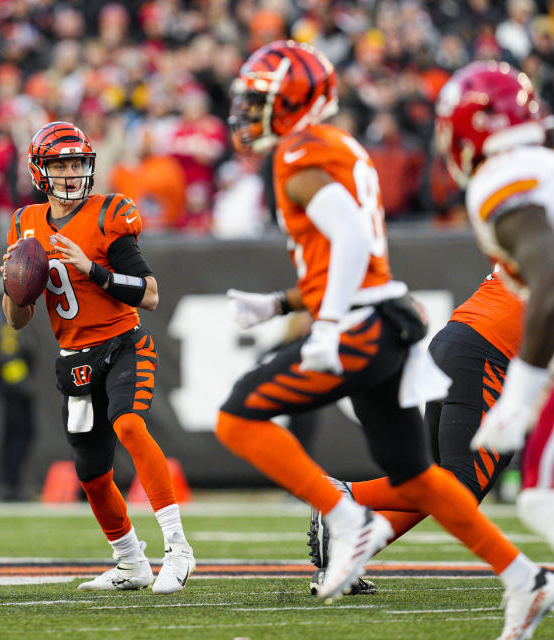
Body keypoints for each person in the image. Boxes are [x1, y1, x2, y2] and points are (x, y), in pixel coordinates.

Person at [220, 40, 552, 638]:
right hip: (466, 348)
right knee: (448, 482)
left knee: (436, 481)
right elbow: (352, 244)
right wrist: (294, 312)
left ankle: (352, 515)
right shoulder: (330, 149)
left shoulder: (307, 152)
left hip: (415, 333)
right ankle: (343, 505)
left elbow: (349, 249)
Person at [1, 121, 195, 595]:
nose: (69, 174)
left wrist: (91, 269)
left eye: (75, 164)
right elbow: (17, 320)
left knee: (129, 424)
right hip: (74, 359)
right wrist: (14, 284)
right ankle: (130, 562)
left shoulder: (109, 212)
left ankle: (178, 548)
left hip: (122, 343)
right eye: (59, 165)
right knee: (91, 474)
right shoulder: (25, 223)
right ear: (39, 171)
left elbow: (149, 294)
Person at [308, 272, 524, 595]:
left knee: (436, 482)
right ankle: (345, 495)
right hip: (486, 352)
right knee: (458, 490)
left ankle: (346, 560)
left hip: (458, 342)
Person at [436, 60, 554, 561]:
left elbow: (550, 277)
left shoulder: (504, 177)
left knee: (539, 499)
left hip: (490, 350)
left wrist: (520, 394)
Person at [0, 277, 38, 502]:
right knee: (20, 435)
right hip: (15, 388)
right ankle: (11, 485)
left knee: (11, 435)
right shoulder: (5, 321)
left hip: (6, 387)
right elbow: (8, 354)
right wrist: (21, 384)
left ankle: (9, 484)